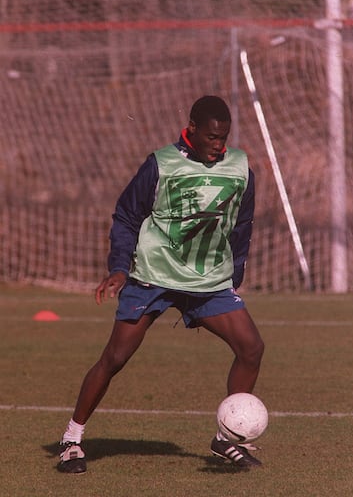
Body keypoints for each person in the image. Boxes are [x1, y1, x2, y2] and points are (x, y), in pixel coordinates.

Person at [59, 95, 265, 474]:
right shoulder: (161, 164)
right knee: (115, 358)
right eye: (211, 138)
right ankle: (72, 439)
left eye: (224, 138)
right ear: (192, 129)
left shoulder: (240, 167)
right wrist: (120, 268)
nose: (218, 145)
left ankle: (226, 439)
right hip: (153, 275)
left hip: (208, 280)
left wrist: (234, 274)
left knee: (251, 348)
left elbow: (242, 222)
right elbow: (126, 216)